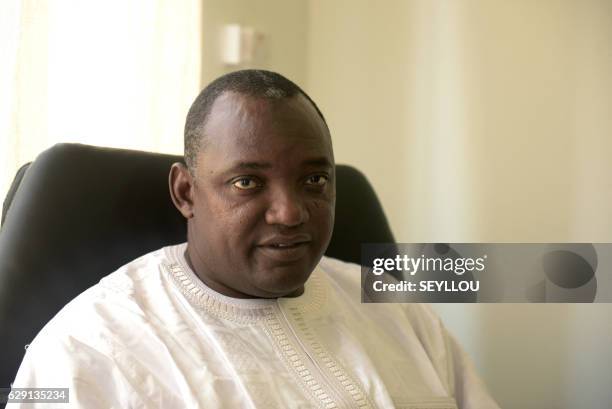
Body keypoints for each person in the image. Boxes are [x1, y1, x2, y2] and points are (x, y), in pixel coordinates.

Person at [9, 70, 500, 408]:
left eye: (314, 181)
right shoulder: (90, 350)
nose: (290, 213)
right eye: (247, 182)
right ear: (186, 193)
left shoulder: (402, 311)